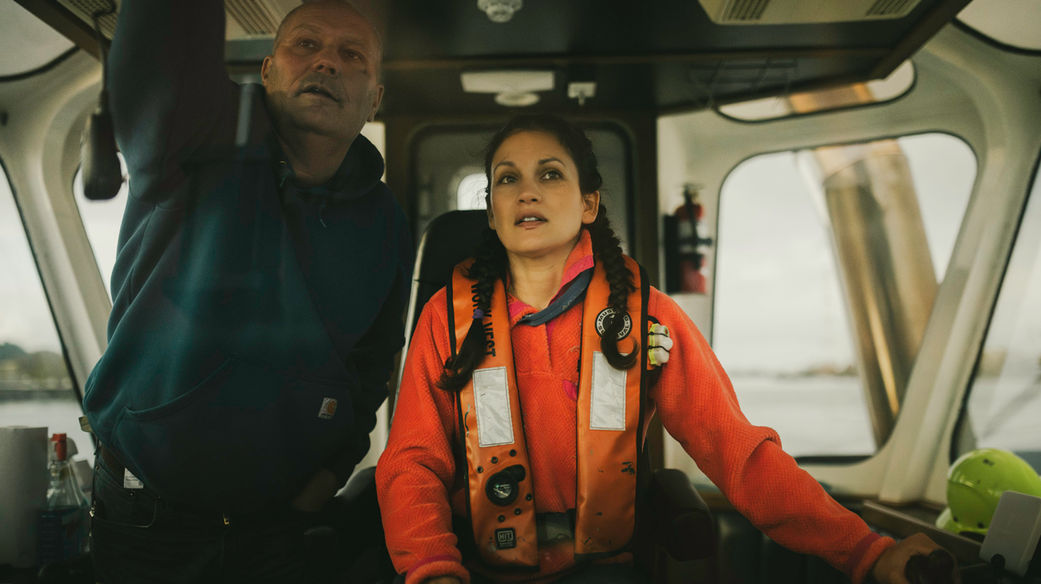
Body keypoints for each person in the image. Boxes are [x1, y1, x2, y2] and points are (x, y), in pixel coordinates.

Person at [375, 114, 952, 584]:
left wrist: (866, 551)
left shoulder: (647, 318)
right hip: (475, 567)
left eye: (550, 174)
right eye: (506, 178)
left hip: (600, 567)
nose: (526, 189)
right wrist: (432, 568)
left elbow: (738, 453)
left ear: (588, 205)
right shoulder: (446, 321)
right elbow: (412, 462)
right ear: (494, 213)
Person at [82, 0, 411, 581]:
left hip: (280, 532)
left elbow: (371, 367)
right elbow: (159, 59)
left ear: (375, 99)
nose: (328, 63)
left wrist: (329, 479)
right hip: (145, 521)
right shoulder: (197, 139)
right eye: (306, 45)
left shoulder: (386, 222)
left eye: (352, 55)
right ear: (267, 71)